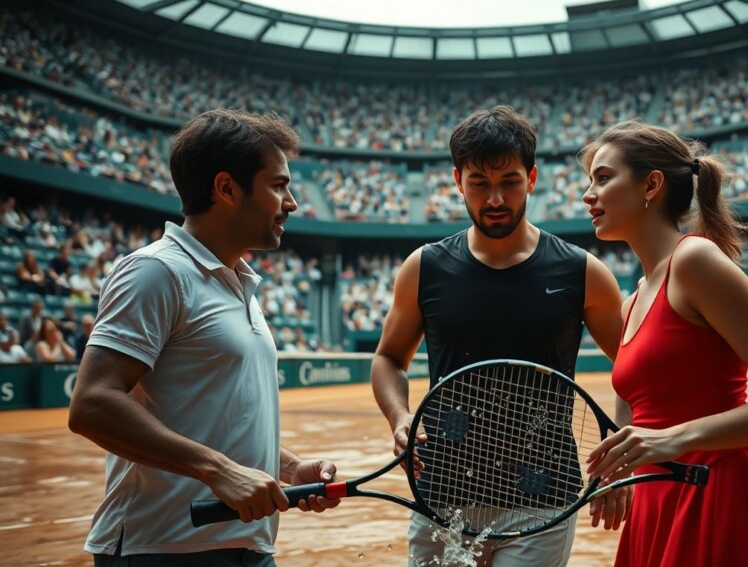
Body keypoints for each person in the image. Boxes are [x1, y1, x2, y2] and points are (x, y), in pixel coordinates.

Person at [68, 109, 340, 566]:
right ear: (226, 188)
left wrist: (290, 467)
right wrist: (218, 471)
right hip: (162, 549)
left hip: (246, 545)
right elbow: (92, 404)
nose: (292, 202)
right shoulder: (155, 271)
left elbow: (216, 416)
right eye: (278, 186)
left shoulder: (238, 282)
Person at [370, 106, 627, 567]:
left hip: (544, 498)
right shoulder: (423, 268)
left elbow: (633, 364)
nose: (494, 199)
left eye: (509, 182)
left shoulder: (582, 272)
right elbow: (388, 358)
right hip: (442, 491)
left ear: (532, 179)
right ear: (457, 181)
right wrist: (399, 417)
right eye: (479, 183)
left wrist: (621, 457)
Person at [580, 121, 748, 566]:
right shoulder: (632, 301)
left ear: (651, 185)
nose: (588, 194)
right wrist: (617, 465)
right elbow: (635, 404)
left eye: (603, 178)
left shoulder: (695, 261)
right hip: (656, 502)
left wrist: (673, 439)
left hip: (720, 496)